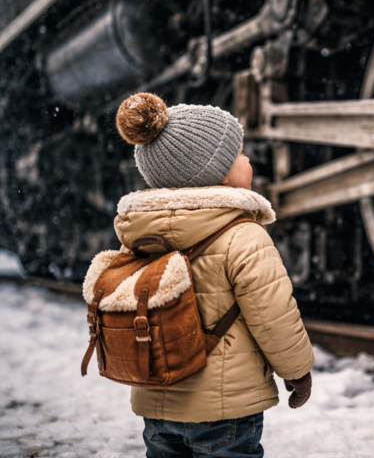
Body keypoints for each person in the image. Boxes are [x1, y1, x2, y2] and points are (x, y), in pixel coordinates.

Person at [112, 92, 314, 457]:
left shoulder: (139, 236)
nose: (248, 159)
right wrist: (297, 371)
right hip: (225, 410)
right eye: (238, 154)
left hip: (157, 405)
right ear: (213, 174)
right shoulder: (243, 235)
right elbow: (273, 314)